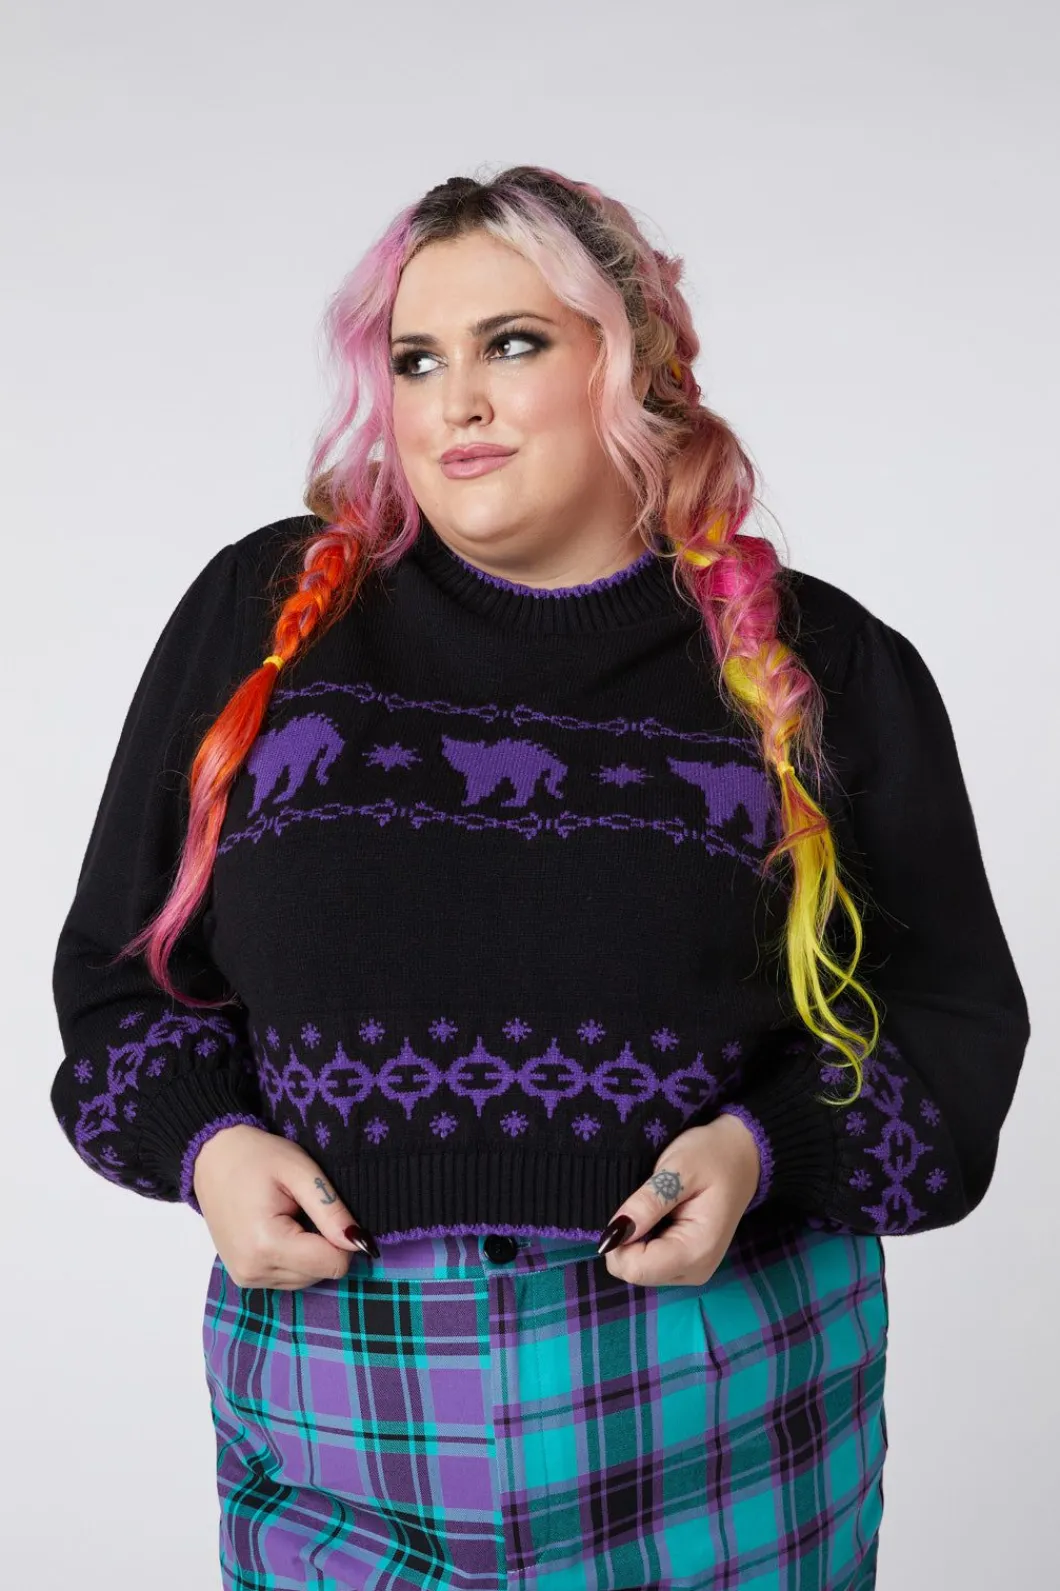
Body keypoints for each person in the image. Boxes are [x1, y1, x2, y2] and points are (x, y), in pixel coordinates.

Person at [50, 165, 1030, 1590]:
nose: (457, 401)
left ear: (634, 364)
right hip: (341, 1397)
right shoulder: (266, 623)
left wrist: (760, 1152)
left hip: (716, 1405)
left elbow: (950, 1042)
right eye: (416, 360)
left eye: (512, 344)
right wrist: (206, 1145)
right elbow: (116, 984)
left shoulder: (825, 670)